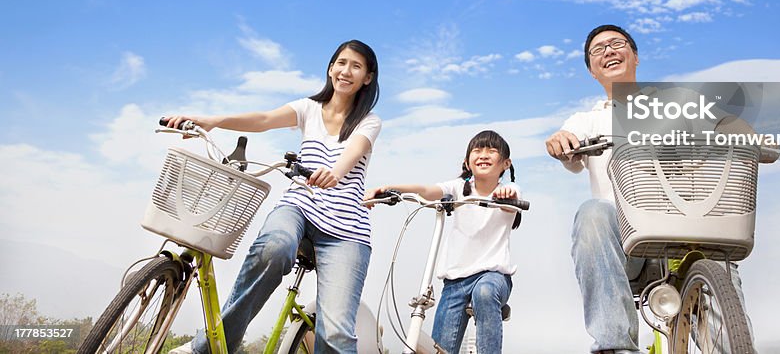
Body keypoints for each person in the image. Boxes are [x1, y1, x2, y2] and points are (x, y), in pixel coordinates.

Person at [545, 25, 772, 354]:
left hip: (685, 231)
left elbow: (722, 123)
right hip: (627, 244)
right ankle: (615, 347)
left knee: (724, 330)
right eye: (598, 50)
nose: (608, 51)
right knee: (592, 212)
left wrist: (750, 136)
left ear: (635, 56)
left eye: (617, 44)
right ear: (592, 71)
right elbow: (562, 139)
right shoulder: (587, 120)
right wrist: (560, 142)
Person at [164, 39, 381, 354]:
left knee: (335, 334)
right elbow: (264, 120)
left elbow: (355, 149)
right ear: (331, 68)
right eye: (341, 63)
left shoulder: (369, 121)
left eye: (356, 66)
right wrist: (213, 121)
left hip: (347, 231)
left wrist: (335, 171)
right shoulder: (309, 109)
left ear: (368, 77)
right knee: (273, 248)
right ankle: (211, 346)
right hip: (299, 207)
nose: (346, 71)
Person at [365, 129, 522, 354]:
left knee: (484, 292)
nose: (484, 155)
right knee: (440, 348)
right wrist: (391, 189)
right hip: (455, 281)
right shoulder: (458, 189)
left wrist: (507, 197)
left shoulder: (509, 190)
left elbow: (512, 203)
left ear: (506, 163)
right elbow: (427, 190)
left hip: (494, 276)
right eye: (477, 150)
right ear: (467, 162)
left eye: (492, 150)